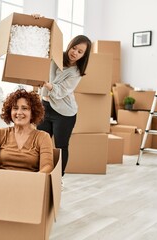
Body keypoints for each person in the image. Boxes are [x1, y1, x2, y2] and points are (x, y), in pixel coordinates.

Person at [37, 35, 92, 176]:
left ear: (84, 55)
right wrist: (38, 21)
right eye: (74, 48)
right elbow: (44, 44)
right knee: (41, 144)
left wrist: (45, 84)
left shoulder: (77, 73)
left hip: (64, 113)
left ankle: (58, 179)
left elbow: (60, 91)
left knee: (61, 147)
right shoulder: (56, 57)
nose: (75, 53)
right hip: (45, 106)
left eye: (80, 52)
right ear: (70, 45)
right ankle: (40, 175)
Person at [0, 88, 54, 173]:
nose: (19, 112)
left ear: (33, 113)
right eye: (15, 108)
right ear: (10, 112)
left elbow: (47, 166)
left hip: (29, 183)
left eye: (24, 108)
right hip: (0, 181)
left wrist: (35, 180)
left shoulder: (42, 137)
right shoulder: (0, 133)